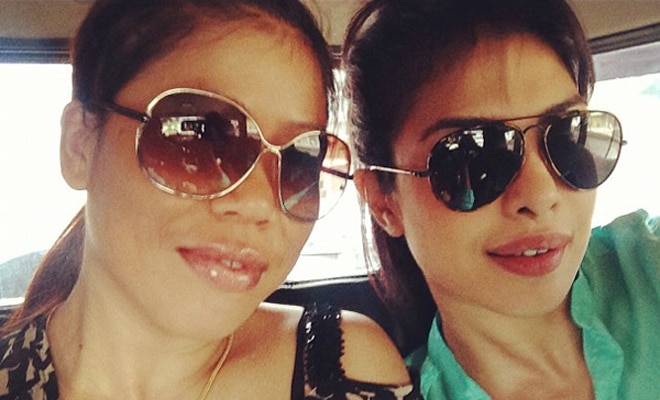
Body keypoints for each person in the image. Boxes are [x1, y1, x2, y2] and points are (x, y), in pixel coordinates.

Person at [0, 1, 422, 399]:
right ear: (79, 145)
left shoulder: (342, 371)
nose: (259, 204)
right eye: (198, 137)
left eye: (301, 160)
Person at [343, 0, 660, 398]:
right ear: (383, 201)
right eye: (472, 158)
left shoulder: (647, 264)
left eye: (568, 136)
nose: (541, 195)